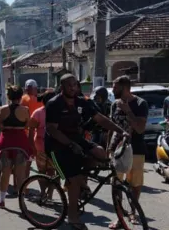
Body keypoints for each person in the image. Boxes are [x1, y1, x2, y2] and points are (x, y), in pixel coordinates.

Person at [45, 74, 129, 230]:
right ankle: (72, 217)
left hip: (77, 141)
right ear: (62, 87)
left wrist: (121, 131)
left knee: (99, 152)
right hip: (57, 147)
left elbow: (100, 119)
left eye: (74, 84)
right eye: (68, 85)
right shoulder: (54, 104)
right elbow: (51, 130)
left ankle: (82, 184)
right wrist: (70, 144)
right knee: (74, 181)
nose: (72, 87)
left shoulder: (81, 102)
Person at [108, 75, 149, 229]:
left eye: (115, 87)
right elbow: (111, 128)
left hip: (136, 150)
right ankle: (120, 217)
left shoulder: (140, 103)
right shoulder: (114, 105)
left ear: (124, 88)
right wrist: (108, 148)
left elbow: (140, 129)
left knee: (135, 185)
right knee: (116, 184)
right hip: (117, 150)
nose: (112, 89)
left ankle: (133, 212)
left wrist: (128, 112)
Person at [0, 86, 33, 208]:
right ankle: (21, 202)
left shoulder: (3, 109)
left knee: (5, 172)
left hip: (6, 141)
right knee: (20, 174)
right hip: (20, 142)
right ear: (21, 96)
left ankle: (1, 200)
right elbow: (27, 125)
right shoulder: (25, 110)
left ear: (8, 97)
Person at [28, 91, 56, 190]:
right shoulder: (38, 113)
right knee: (48, 172)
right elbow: (30, 133)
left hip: (50, 147)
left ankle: (46, 194)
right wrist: (32, 148)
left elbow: (31, 133)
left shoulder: (38, 113)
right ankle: (46, 194)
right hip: (43, 147)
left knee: (46, 172)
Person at [20, 79, 43, 191]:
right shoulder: (39, 100)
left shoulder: (23, 99)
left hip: (24, 134)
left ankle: (22, 186)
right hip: (35, 136)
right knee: (30, 163)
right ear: (35, 88)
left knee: (25, 162)